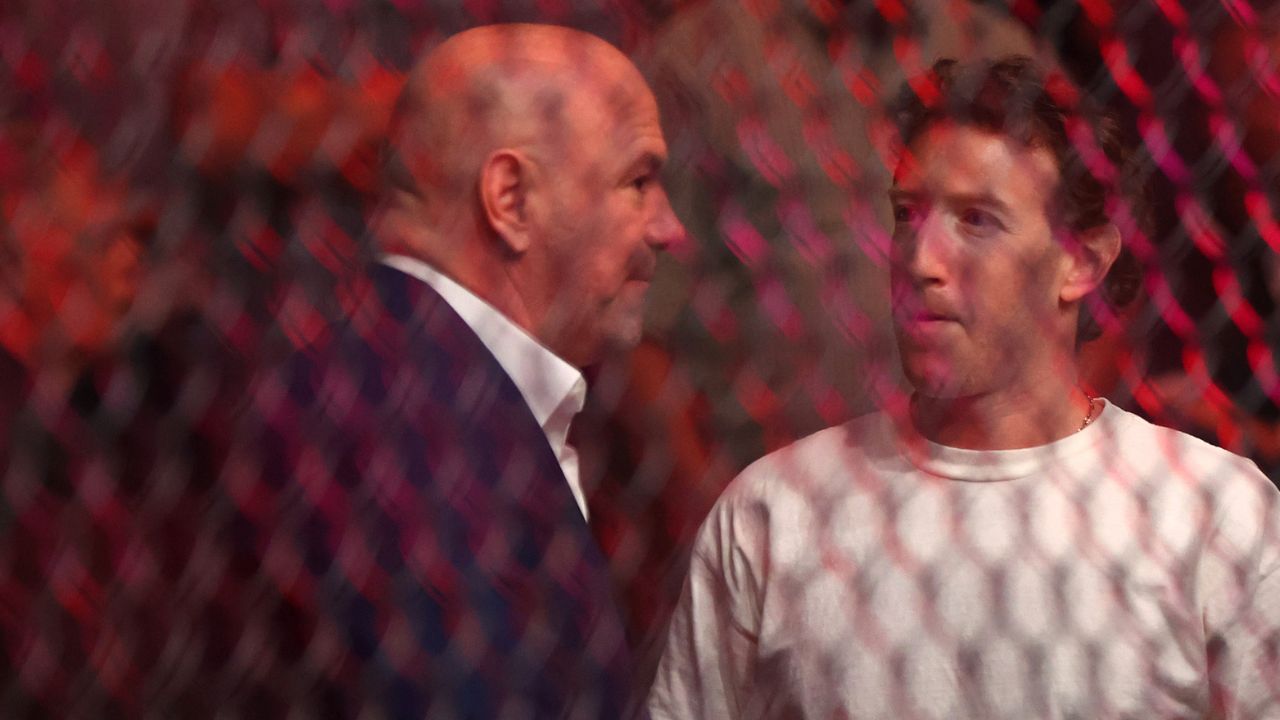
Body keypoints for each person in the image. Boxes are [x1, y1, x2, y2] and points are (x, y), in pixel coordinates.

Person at [648, 56, 1280, 719]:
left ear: (1082, 260)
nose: (921, 262)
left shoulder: (1215, 516)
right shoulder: (774, 513)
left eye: (977, 220)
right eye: (907, 215)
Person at [201, 22, 683, 719]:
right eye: (637, 182)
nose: (669, 227)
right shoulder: (414, 421)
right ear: (511, 200)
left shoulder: (423, 378)